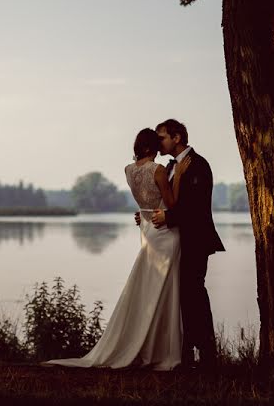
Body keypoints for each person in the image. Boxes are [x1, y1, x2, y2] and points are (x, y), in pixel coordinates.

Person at [45, 127, 190, 370]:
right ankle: (162, 350)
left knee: (150, 286)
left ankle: (149, 345)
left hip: (146, 227)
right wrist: (181, 177)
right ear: (149, 147)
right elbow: (172, 204)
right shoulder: (158, 170)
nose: (158, 148)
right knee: (166, 289)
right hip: (164, 232)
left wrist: (144, 213)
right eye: (155, 144)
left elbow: (145, 202)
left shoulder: (128, 170)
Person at [144, 118, 225, 369]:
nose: (158, 143)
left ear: (176, 138)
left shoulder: (198, 165)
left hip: (195, 240)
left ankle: (207, 353)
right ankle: (183, 352)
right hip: (174, 241)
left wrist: (168, 216)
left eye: (161, 138)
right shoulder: (169, 167)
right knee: (179, 295)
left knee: (194, 294)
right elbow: (167, 200)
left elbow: (196, 207)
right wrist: (148, 213)